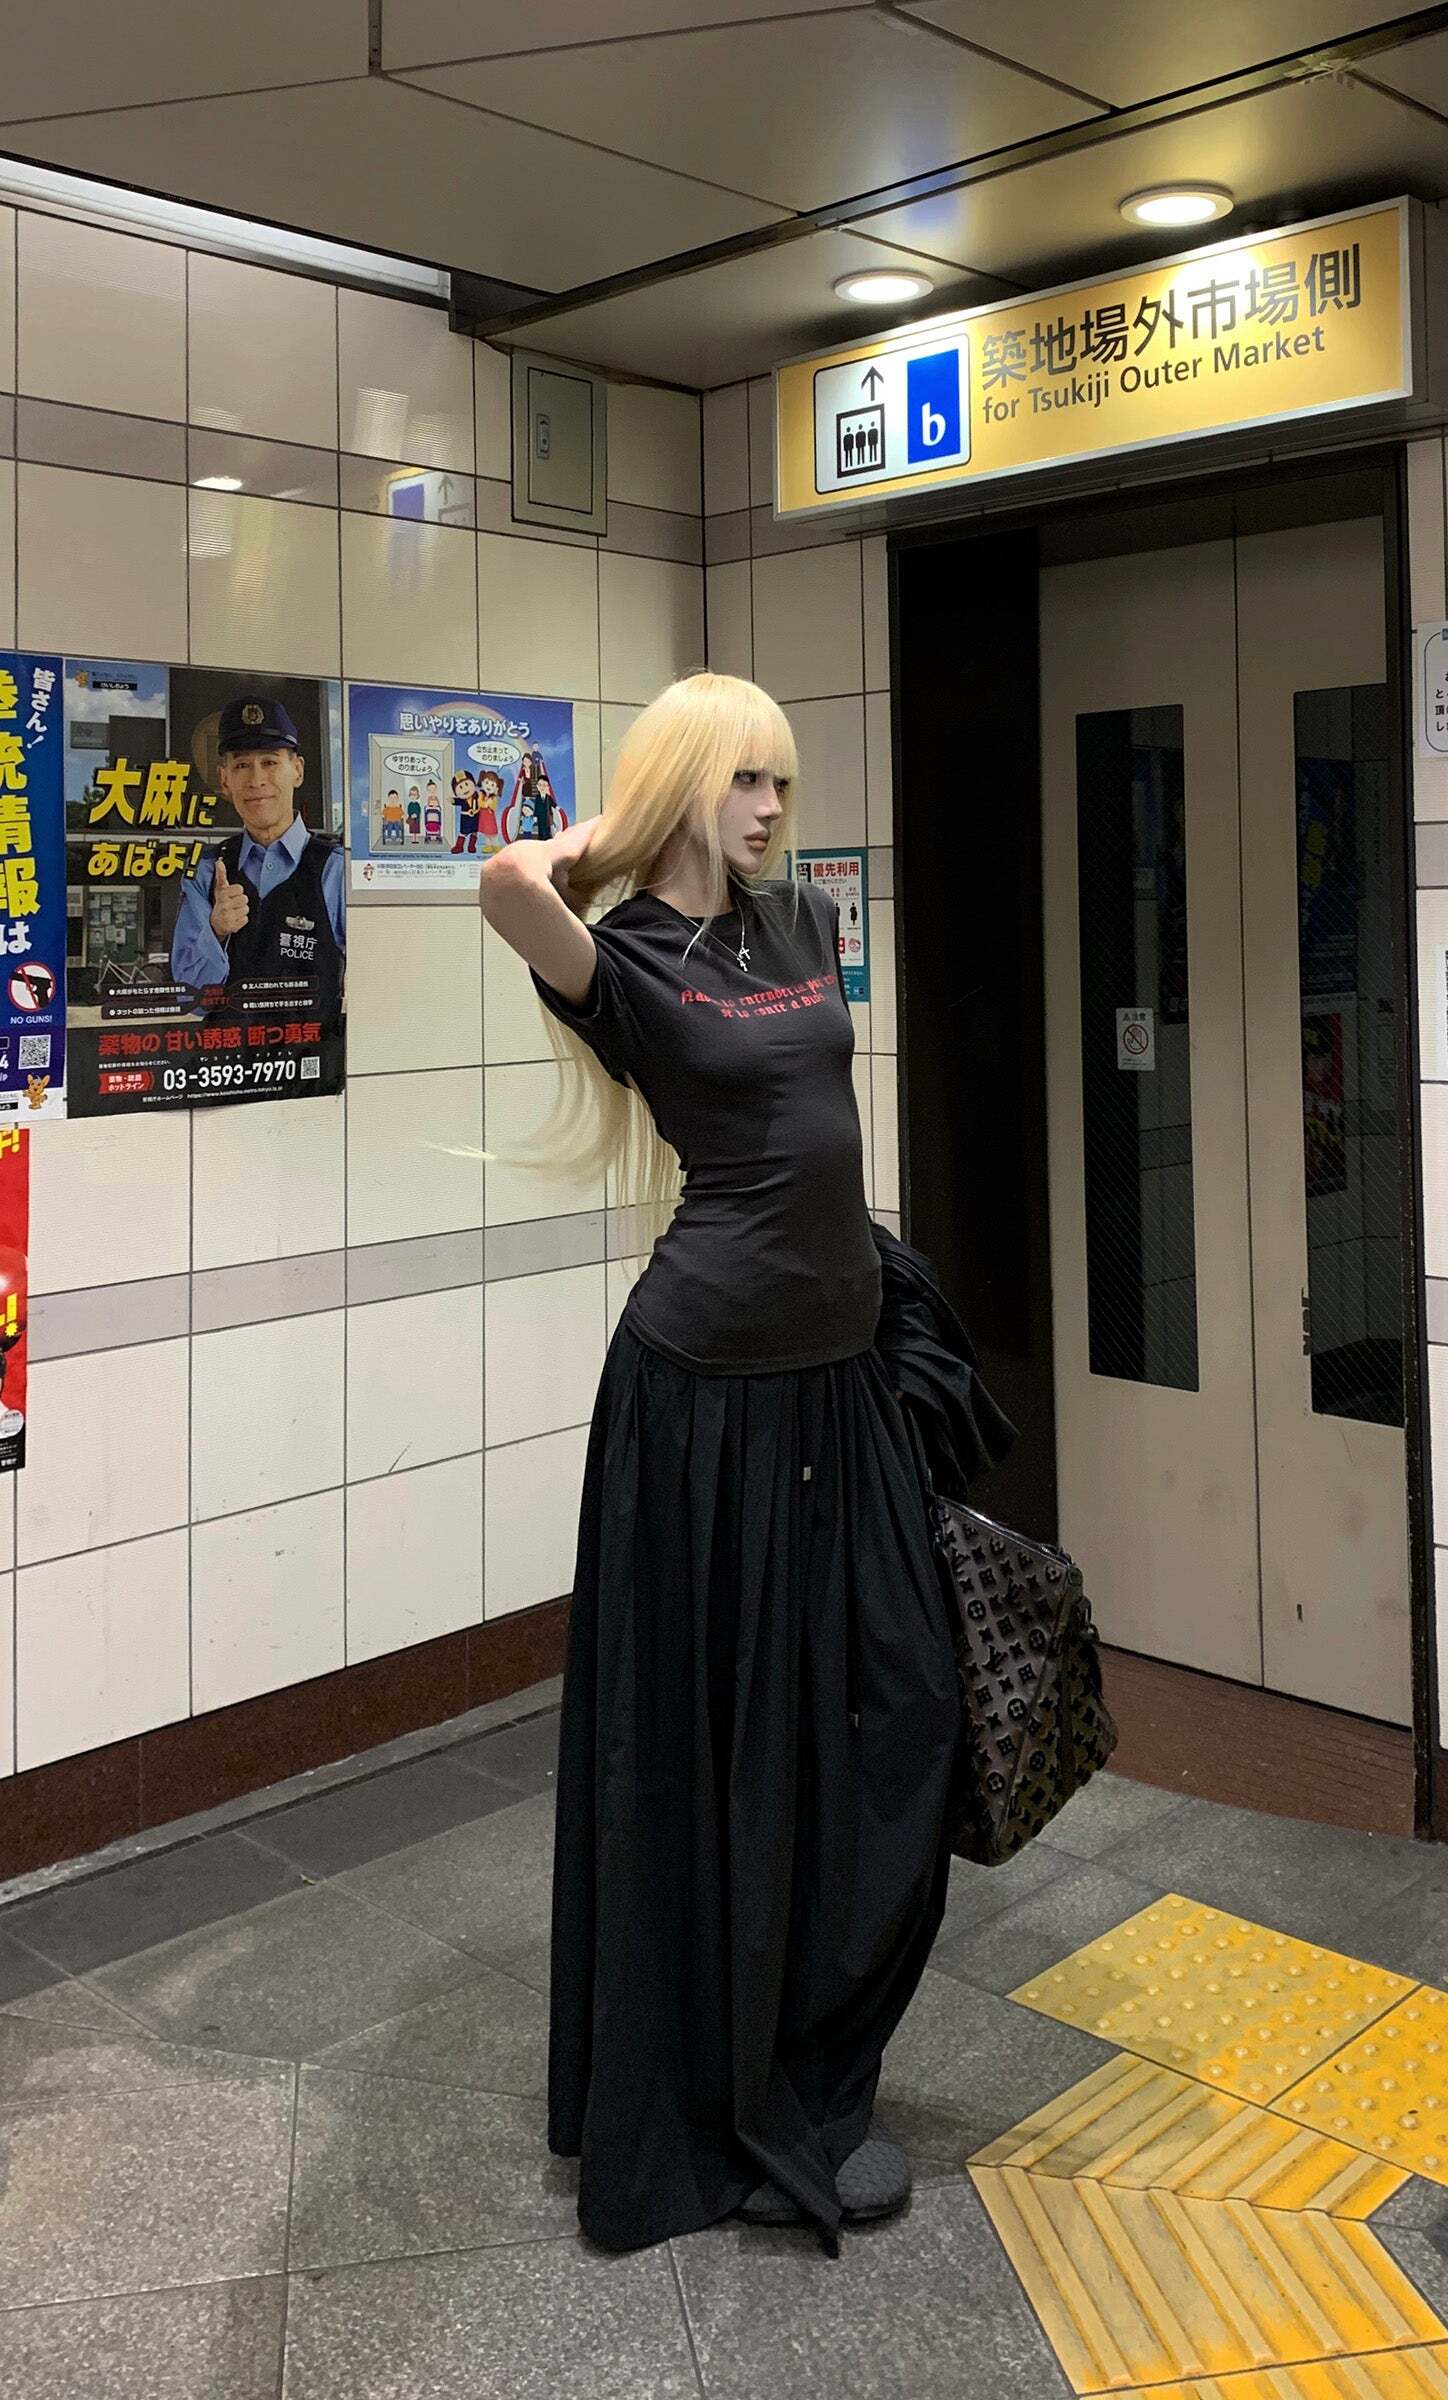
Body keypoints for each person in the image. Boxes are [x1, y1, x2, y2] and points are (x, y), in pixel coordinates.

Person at [479, 672, 1016, 2261]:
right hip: (701, 1400)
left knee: (903, 1705)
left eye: (780, 780)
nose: (772, 808)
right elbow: (505, 880)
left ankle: (815, 2056)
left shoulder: (800, 925)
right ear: (682, 789)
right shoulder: (624, 956)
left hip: (841, 1383)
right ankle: (727, 2096)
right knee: (712, 1747)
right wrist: (624, 833)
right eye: (741, 781)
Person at [170, 696, 344, 1014]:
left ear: (297, 771)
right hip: (228, 1047)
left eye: (270, 762)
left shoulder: (336, 871)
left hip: (313, 1045)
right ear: (224, 779)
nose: (256, 780)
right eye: (241, 765)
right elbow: (190, 1000)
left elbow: (379, 979)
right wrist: (216, 930)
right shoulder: (206, 871)